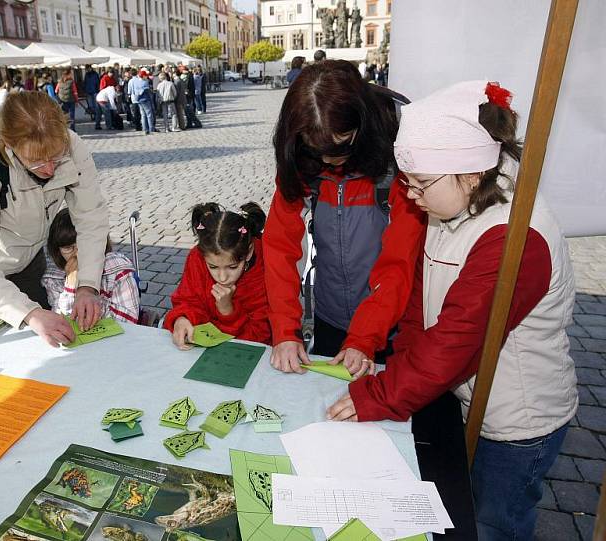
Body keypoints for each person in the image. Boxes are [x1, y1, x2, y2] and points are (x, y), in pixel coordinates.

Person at [329, 81, 577, 540]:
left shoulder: (513, 237)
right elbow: (422, 305)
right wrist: (400, 363)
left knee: (492, 525)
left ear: (468, 173)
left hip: (517, 421)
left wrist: (380, 395)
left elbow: (455, 341)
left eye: (420, 183)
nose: (410, 194)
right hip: (471, 398)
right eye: (406, 181)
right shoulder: (452, 207)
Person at [265, 60, 425, 376]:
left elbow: (399, 262)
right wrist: (285, 329)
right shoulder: (299, 155)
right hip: (330, 316)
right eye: (316, 150)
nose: (328, 160)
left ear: (361, 125)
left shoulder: (399, 156)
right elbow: (278, 247)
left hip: (390, 325)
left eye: (340, 146)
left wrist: (365, 335)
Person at [0, 91, 109, 347]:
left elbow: (91, 218)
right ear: (8, 145)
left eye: (56, 157)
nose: (48, 169)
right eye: (35, 162)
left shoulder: (71, 145)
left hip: (29, 263)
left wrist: (87, 286)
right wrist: (29, 314)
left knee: (50, 342)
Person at [164, 202, 271, 347]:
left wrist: (227, 310)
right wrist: (182, 318)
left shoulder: (267, 268)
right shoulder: (197, 257)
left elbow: (260, 337)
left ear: (249, 251)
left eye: (232, 267)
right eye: (213, 267)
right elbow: (188, 300)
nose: (222, 277)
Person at [42, 211, 140, 324]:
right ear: (57, 251)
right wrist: (70, 287)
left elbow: (128, 322)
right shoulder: (53, 278)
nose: (78, 253)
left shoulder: (118, 271)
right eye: (68, 248)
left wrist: (91, 305)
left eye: (84, 245)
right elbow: (61, 322)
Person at [129, 69, 155, 135]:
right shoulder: (144, 82)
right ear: (143, 76)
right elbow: (147, 91)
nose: (146, 77)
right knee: (149, 114)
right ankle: (151, 128)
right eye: (145, 76)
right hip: (145, 99)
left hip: (138, 99)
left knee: (143, 115)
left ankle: (145, 129)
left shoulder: (136, 81)